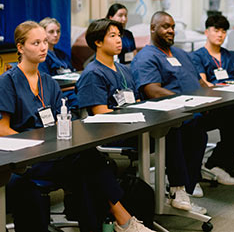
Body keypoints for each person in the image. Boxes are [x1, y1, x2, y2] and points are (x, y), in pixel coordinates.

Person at [0, 21, 153, 232]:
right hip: (28, 160)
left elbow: (61, 119)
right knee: (89, 162)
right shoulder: (7, 81)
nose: (43, 47)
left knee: (88, 166)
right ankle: (124, 220)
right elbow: (2, 129)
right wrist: (38, 144)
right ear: (20, 47)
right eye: (36, 43)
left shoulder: (49, 82)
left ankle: (113, 223)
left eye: (45, 42)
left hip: (54, 154)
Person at [131, 11, 208, 214]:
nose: (171, 30)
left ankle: (188, 186)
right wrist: (183, 100)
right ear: (152, 28)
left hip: (193, 110)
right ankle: (178, 188)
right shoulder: (146, 56)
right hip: (166, 117)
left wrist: (208, 93)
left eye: (173, 26)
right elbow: (151, 89)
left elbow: (198, 80)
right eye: (165, 26)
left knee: (207, 130)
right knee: (180, 132)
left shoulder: (181, 54)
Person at [190, 15, 234, 185]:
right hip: (210, 106)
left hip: (230, 104)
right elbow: (204, 84)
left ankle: (217, 165)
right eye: (216, 30)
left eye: (223, 31)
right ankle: (217, 165)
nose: (220, 35)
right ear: (207, 32)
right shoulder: (197, 56)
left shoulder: (232, 56)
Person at [76, 18, 139, 116]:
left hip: (134, 123)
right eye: (112, 36)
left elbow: (138, 102)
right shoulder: (93, 74)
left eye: (119, 35)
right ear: (98, 42)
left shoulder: (125, 69)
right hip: (111, 128)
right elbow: (101, 113)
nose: (119, 40)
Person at [38, 17, 79, 110]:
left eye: (58, 31)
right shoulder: (42, 57)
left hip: (72, 90)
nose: (56, 35)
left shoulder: (62, 54)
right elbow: (46, 83)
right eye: (51, 32)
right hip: (60, 94)